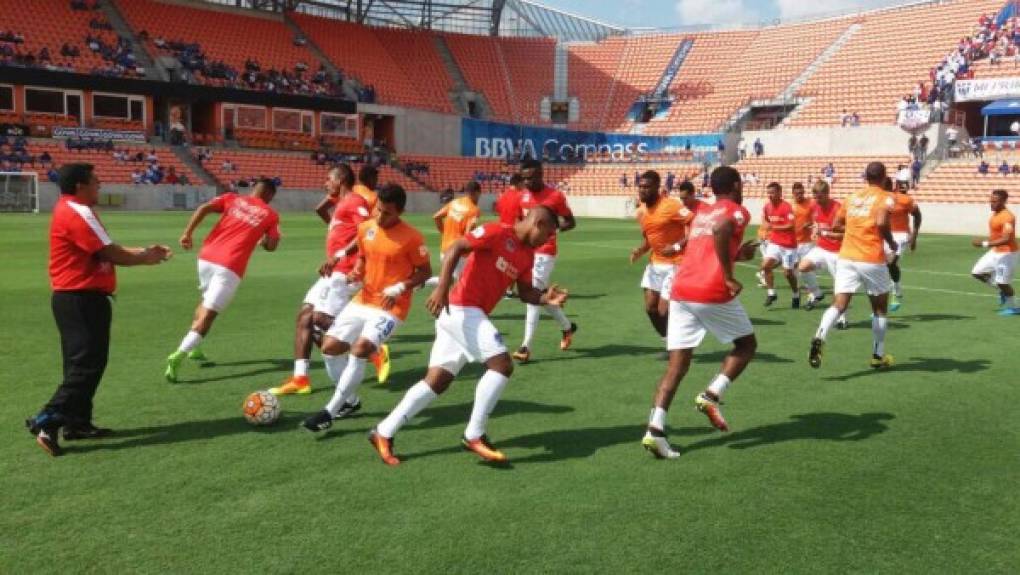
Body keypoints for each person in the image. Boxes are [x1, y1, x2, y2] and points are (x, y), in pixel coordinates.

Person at [367, 207, 567, 465]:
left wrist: (544, 298)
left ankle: (383, 432)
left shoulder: (527, 255)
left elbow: (526, 292)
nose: (548, 240)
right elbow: (456, 248)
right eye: (548, 234)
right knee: (502, 365)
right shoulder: (497, 231)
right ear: (537, 223)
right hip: (461, 308)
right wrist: (441, 288)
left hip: (468, 314)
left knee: (436, 381)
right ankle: (474, 434)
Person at [25, 164, 171, 456]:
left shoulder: (71, 209)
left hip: (74, 297)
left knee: (79, 363)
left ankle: (77, 423)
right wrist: (145, 258)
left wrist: (142, 251)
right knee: (88, 364)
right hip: (82, 298)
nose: (100, 185)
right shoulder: (77, 211)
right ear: (81, 185)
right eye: (95, 180)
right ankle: (47, 419)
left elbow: (103, 248)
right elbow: (109, 252)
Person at [641, 166, 758, 459]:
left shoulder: (703, 213)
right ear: (734, 185)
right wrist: (729, 274)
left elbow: (705, 242)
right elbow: (721, 231)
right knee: (746, 345)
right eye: (740, 183)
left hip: (682, 289)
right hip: (710, 289)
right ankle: (711, 394)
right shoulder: (737, 210)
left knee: (676, 366)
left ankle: (655, 431)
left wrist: (736, 253)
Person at [301, 184, 431, 432]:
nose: (380, 217)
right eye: (379, 210)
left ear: (401, 211)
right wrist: (356, 272)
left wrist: (401, 287)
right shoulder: (366, 227)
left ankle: (330, 411)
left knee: (359, 349)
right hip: (363, 299)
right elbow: (363, 254)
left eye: (388, 213)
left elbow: (425, 272)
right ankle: (350, 402)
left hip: (391, 306)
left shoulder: (413, 238)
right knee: (329, 348)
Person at [271, 164, 386, 397]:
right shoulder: (340, 203)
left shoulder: (354, 202)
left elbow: (369, 229)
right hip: (332, 272)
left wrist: (350, 260)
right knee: (304, 317)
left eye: (329, 179)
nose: (325, 183)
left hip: (345, 272)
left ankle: (373, 348)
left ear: (341, 179)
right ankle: (301, 378)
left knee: (320, 319)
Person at [164, 179, 281, 382]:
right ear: (270, 195)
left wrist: (187, 233)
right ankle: (178, 355)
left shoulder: (232, 198)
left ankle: (195, 349)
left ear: (255, 189)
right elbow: (272, 246)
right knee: (208, 316)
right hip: (230, 266)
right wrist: (264, 240)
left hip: (206, 258)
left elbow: (204, 207)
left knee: (205, 300)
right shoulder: (270, 215)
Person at [809, 162, 897, 370]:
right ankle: (878, 355)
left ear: (866, 177)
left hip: (846, 256)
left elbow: (837, 225)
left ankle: (819, 335)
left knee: (839, 304)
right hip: (871, 257)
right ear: (884, 178)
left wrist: (855, 226)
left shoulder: (852, 197)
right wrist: (891, 243)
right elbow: (883, 222)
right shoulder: (885, 196)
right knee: (879, 309)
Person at [511, 159, 577, 363]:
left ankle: (525, 347)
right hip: (526, 251)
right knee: (541, 296)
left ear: (541, 175)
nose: (528, 182)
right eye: (524, 178)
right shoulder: (521, 196)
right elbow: (517, 223)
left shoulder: (555, 196)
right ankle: (567, 327)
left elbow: (571, 222)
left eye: (531, 178)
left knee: (532, 296)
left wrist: (552, 230)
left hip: (545, 251)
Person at [630, 173, 696, 347]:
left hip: (676, 263)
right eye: (641, 186)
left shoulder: (671, 205)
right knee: (650, 309)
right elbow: (650, 238)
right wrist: (640, 250)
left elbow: (695, 223)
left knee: (662, 310)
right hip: (655, 264)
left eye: (647, 186)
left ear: (657, 188)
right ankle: (670, 341)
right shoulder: (641, 211)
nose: (643, 190)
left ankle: (678, 343)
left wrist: (676, 246)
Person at [797, 180, 847, 328]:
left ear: (827, 194)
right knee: (802, 267)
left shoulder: (838, 209)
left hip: (837, 251)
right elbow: (817, 222)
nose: (816, 200)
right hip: (821, 248)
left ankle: (843, 317)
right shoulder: (815, 206)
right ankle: (817, 293)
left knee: (840, 286)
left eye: (819, 197)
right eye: (815, 197)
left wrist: (824, 232)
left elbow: (847, 233)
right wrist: (814, 231)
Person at [424, 181, 482, 288]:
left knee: (448, 280)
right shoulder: (474, 210)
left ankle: (422, 281)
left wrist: (443, 232)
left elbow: (436, 216)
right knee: (464, 282)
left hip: (445, 249)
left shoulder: (454, 202)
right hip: (457, 252)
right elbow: (468, 234)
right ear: (477, 193)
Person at [971, 189, 1019, 315]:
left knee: (1003, 282)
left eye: (995, 201)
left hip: (1007, 254)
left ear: (1004, 201)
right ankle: (1002, 290)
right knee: (977, 272)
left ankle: (1013, 307)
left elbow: (1007, 239)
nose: (991, 203)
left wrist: (983, 244)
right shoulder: (995, 214)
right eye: (990, 201)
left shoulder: (1008, 217)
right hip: (995, 252)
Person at [759, 182, 800, 308]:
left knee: (788, 273)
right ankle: (771, 293)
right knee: (765, 266)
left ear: (779, 193)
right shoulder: (767, 207)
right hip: (775, 243)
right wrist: (766, 224)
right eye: (768, 193)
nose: (770, 195)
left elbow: (790, 225)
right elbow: (765, 219)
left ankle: (796, 293)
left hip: (788, 246)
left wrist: (772, 226)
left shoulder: (786, 206)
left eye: (772, 192)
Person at [886, 182, 922, 311]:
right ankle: (879, 309)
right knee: (881, 268)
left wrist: (914, 236)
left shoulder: (904, 200)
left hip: (901, 235)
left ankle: (895, 290)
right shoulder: (877, 200)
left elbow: (918, 215)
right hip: (884, 234)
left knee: (891, 262)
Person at [791, 182, 815, 303]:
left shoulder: (810, 203)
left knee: (807, 268)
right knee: (793, 269)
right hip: (792, 242)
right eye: (797, 193)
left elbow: (816, 218)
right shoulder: (790, 206)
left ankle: (812, 293)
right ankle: (797, 291)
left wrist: (810, 223)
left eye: (801, 193)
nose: (799, 195)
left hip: (806, 242)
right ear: (793, 194)